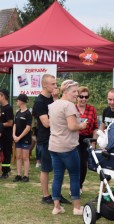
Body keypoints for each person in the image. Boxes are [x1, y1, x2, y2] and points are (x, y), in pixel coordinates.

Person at [48, 80, 88, 216]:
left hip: (54, 146)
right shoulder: (69, 106)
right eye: (74, 91)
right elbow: (72, 126)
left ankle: (56, 207)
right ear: (65, 91)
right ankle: (77, 208)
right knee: (75, 175)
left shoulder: (53, 105)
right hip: (67, 146)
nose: (77, 94)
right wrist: (82, 126)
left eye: (77, 91)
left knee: (57, 176)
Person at [32, 74, 71, 205]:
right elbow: (47, 123)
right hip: (45, 139)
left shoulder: (53, 99)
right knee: (46, 168)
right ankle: (46, 195)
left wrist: (55, 99)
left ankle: (56, 194)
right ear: (45, 85)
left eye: (56, 84)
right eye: (53, 84)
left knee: (59, 168)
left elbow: (58, 112)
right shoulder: (39, 102)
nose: (56, 86)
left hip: (57, 137)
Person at [75, 86, 99, 193]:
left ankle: (79, 185)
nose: (84, 99)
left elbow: (95, 127)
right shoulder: (72, 108)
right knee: (75, 162)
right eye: (81, 96)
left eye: (86, 97)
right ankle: (74, 184)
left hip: (87, 138)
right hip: (74, 137)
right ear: (77, 97)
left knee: (83, 162)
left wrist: (93, 142)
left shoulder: (92, 109)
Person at [12, 94, 32, 182]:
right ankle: (19, 174)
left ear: (21, 101)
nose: (16, 102)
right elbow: (15, 124)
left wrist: (19, 137)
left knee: (25, 157)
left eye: (17, 100)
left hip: (25, 138)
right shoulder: (18, 112)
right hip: (17, 138)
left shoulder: (28, 113)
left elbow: (28, 128)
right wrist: (14, 135)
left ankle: (26, 175)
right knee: (18, 156)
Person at [0, 89, 14, 178]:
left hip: (6, 135)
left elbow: (10, 123)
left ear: (3, 96)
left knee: (6, 152)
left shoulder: (8, 108)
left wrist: (0, 125)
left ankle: (6, 171)